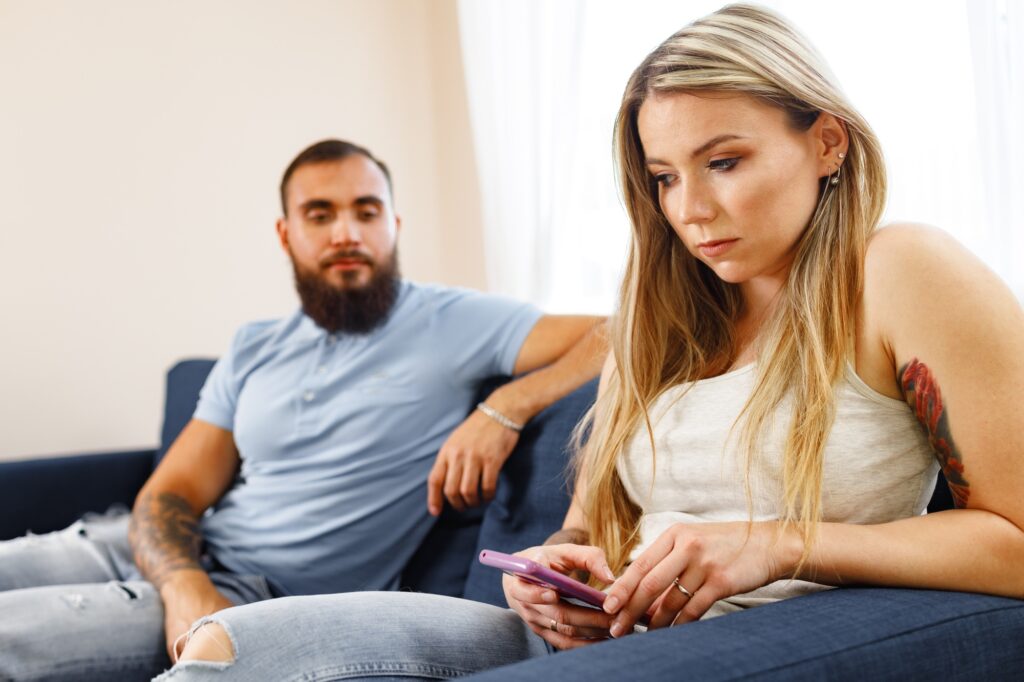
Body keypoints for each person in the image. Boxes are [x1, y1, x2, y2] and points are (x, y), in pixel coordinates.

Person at [161, 4, 1024, 680]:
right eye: (663, 177)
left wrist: (781, 539)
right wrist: (551, 573)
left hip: (751, 649)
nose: (690, 209)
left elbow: (1013, 540)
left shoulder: (902, 269)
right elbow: (594, 530)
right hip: (601, 645)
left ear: (826, 141)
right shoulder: (662, 311)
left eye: (724, 161)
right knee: (223, 646)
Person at [0, 139, 607, 681]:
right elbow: (170, 495)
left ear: (393, 225)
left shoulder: (453, 322)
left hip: (254, 595)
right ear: (286, 234)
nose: (347, 232)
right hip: (144, 554)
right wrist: (185, 582)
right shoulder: (253, 345)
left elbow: (622, 328)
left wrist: (505, 406)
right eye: (320, 214)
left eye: (366, 211)